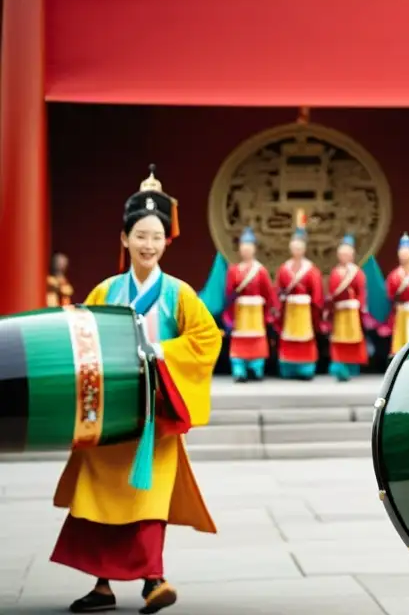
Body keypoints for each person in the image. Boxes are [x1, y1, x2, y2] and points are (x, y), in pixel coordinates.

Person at [50, 165, 221, 614]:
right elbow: (82, 339)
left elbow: (207, 339)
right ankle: (102, 585)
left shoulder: (179, 294)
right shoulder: (106, 290)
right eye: (140, 235)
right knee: (99, 493)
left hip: (154, 414)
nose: (148, 244)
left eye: (156, 236)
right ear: (124, 239)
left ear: (167, 241)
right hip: (111, 412)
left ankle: (152, 579)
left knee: (148, 494)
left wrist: (165, 351)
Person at [223, 227, 279, 383]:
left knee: (257, 341)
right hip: (240, 313)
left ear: (254, 249)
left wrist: (271, 312)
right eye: (243, 246)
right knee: (239, 342)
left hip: (255, 314)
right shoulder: (234, 271)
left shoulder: (260, 271)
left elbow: (269, 293)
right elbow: (229, 294)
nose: (246, 249)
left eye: (249, 246)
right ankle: (239, 369)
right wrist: (229, 316)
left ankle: (256, 368)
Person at [275, 210, 323, 380]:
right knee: (288, 338)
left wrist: (316, 310)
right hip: (289, 310)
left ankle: (306, 369)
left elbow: (317, 294)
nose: (296, 250)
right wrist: (278, 306)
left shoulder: (311, 270)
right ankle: (288, 367)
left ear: (304, 249)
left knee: (304, 339)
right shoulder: (284, 268)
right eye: (294, 247)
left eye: (300, 247)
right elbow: (278, 290)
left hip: (304, 311)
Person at [323, 234, 370, 381]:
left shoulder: (357, 273)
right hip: (339, 312)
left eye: (347, 253)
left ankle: (352, 365)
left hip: (352, 312)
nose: (344, 256)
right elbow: (331, 292)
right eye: (341, 253)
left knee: (353, 338)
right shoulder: (335, 273)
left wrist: (361, 308)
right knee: (339, 338)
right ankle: (339, 363)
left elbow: (361, 292)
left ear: (352, 255)